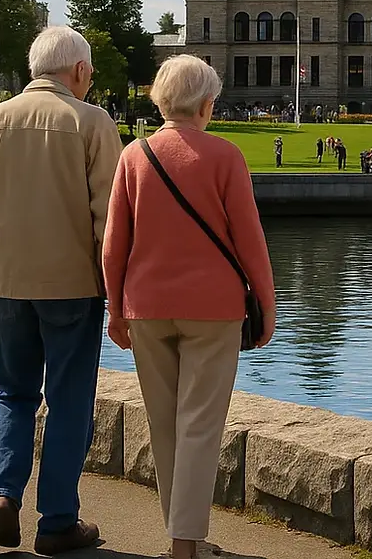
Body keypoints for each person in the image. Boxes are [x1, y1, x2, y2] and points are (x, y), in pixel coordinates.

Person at [0, 26, 123, 555]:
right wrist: (119, 293)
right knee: (69, 400)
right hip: (72, 286)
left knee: (14, 393)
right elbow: (109, 220)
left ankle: (4, 495)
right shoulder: (92, 122)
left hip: (3, 282)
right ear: (80, 71)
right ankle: (58, 520)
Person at [102, 55, 275, 559]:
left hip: (146, 305)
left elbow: (113, 245)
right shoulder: (225, 156)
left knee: (164, 424)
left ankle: (185, 537)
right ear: (206, 104)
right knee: (200, 424)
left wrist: (115, 308)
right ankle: (186, 542)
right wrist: (267, 305)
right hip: (213, 308)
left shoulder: (134, 156)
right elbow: (250, 241)